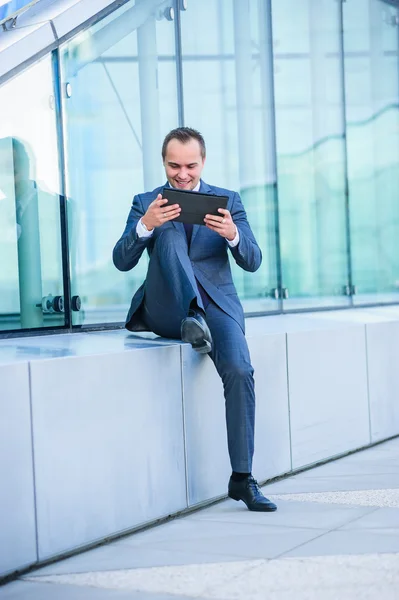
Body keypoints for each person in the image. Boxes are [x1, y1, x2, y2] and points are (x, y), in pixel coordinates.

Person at [113, 127, 277, 512]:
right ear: (163, 162)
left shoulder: (228, 201)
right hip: (168, 308)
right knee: (167, 232)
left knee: (239, 369)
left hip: (217, 305)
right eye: (174, 166)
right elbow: (122, 261)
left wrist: (233, 234)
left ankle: (242, 479)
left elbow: (253, 261)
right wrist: (146, 226)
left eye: (190, 165)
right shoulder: (144, 201)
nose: (182, 174)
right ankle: (192, 315)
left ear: (203, 162)